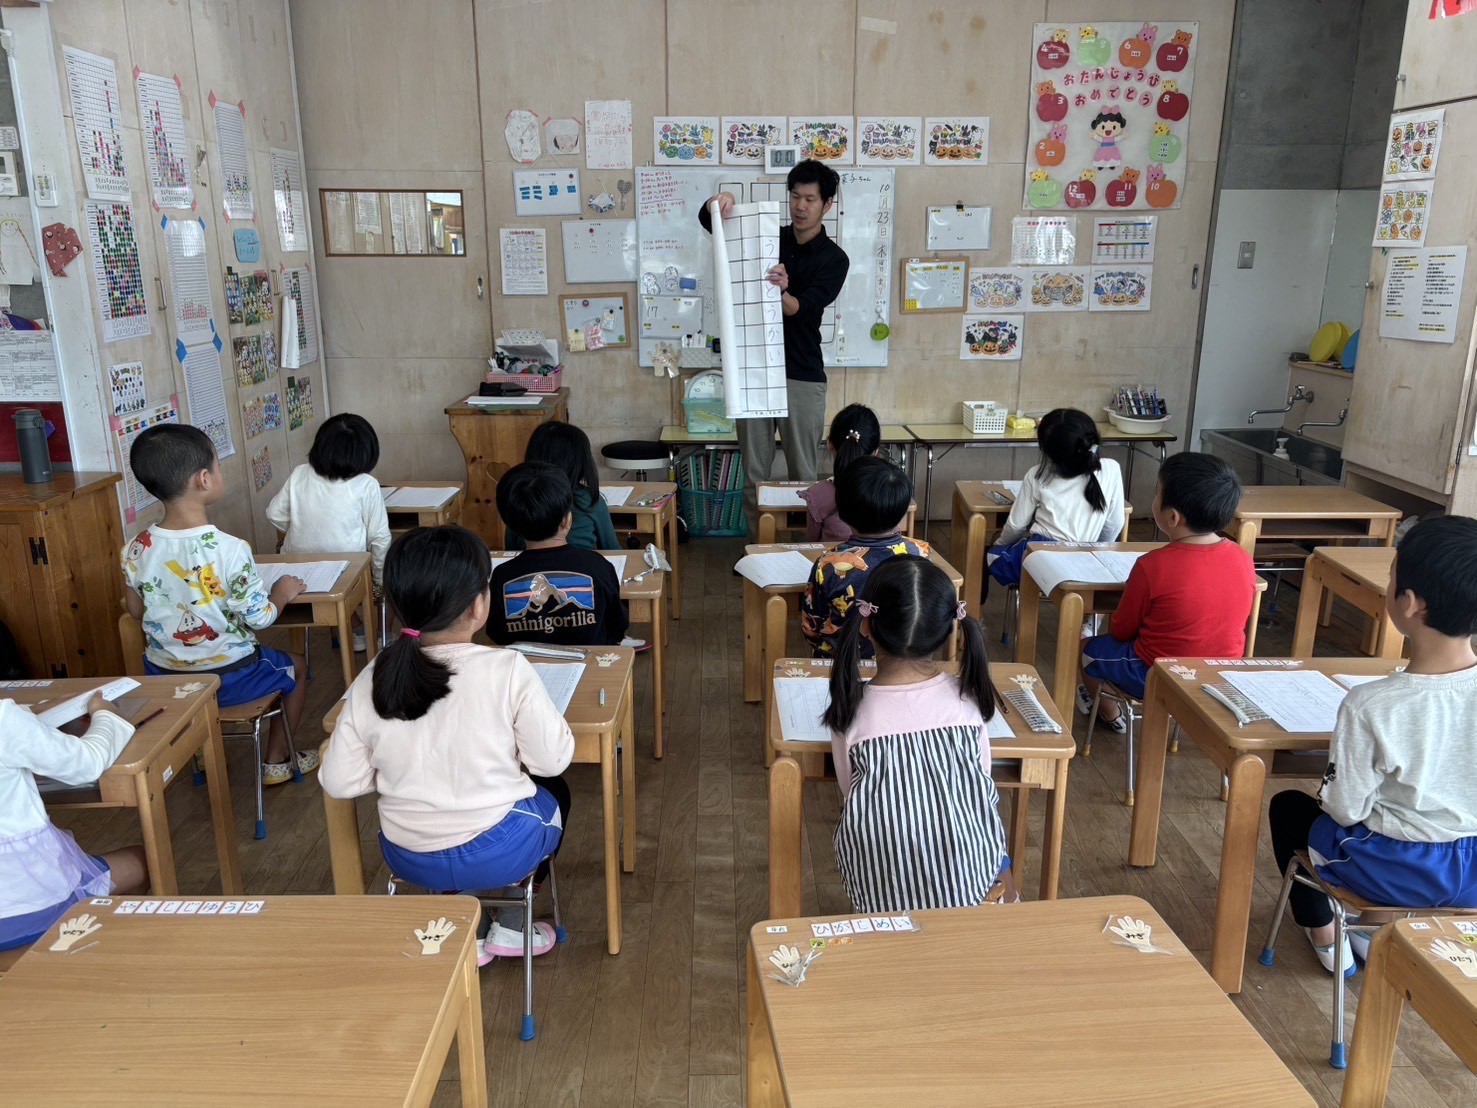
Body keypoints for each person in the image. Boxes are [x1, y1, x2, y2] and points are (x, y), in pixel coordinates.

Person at [322, 526, 574, 960]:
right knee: (555, 796)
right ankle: (511, 924)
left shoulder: (373, 676)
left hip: (409, 856)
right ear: (478, 605)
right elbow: (551, 761)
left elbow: (340, 782)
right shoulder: (508, 668)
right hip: (500, 850)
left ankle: (466, 925)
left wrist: (398, 764)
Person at [1268, 515, 1477, 976]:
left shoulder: (1371, 704)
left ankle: (1332, 938)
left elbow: (1345, 809)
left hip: (1396, 870)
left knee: (1289, 810)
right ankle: (1377, 929)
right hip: (1473, 875)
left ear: (1411, 603)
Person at [121, 425, 314, 784]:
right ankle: (276, 760)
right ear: (204, 479)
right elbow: (260, 618)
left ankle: (201, 747)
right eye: (219, 466)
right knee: (298, 667)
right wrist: (282, 593)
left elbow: (135, 611)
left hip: (166, 682)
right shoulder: (231, 549)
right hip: (232, 679)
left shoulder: (136, 547)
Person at [822, 557, 1012, 912]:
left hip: (880, 897)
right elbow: (980, 781)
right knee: (991, 846)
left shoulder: (851, 711)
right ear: (949, 628)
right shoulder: (968, 700)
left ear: (867, 625)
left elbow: (850, 791)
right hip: (969, 889)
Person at [699, 159, 850, 535]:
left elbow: (802, 309)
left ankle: (808, 553)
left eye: (810, 199)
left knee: (805, 476)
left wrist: (781, 290)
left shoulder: (834, 259)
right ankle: (758, 549)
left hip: (802, 375)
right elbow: (710, 222)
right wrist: (718, 202)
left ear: (827, 204)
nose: (800, 206)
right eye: (795, 196)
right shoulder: (767, 236)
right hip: (753, 371)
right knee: (754, 475)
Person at [1079, 452, 1255, 732]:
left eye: (1157, 493)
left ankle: (1109, 713)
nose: (1154, 498)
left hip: (1157, 673)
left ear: (1172, 517)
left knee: (1087, 649)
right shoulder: (1242, 558)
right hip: (1221, 674)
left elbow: (1122, 630)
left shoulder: (1153, 565)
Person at [0, 692, 150, 950]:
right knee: (143, 860)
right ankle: (116, 950)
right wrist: (105, 713)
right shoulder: (5, 720)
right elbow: (87, 763)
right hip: (34, 907)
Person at [266, 412, 391, 652]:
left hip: (297, 571)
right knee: (387, 574)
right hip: (347, 574)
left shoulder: (300, 473)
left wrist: (299, 529)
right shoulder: (366, 484)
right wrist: (380, 579)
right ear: (366, 453)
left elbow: (274, 514)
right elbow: (379, 538)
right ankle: (374, 635)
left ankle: (351, 629)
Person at [485, 462, 629, 648]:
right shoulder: (597, 566)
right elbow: (618, 626)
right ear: (567, 519)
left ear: (509, 525)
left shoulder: (501, 576)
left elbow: (497, 633)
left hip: (524, 666)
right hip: (591, 665)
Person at [800, 457, 929, 658]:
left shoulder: (827, 564)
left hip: (842, 666)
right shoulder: (920, 552)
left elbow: (812, 629)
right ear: (904, 511)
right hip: (903, 663)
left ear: (842, 512)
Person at [988, 408, 1125, 588]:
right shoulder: (1112, 469)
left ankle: (974, 602)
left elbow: (1016, 525)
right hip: (1085, 559)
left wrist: (998, 544)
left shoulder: (1037, 475)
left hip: (1042, 555)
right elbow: (1115, 523)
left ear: (1047, 450)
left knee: (991, 554)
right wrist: (1096, 550)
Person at [506, 421, 619, 552]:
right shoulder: (588, 501)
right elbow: (613, 550)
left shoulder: (520, 497)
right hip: (581, 564)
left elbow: (510, 551)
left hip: (528, 564)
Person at [800, 404, 881, 543]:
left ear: (830, 444)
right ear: (876, 451)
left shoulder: (817, 494)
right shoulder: (889, 489)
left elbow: (814, 543)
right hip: (885, 557)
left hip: (832, 557)